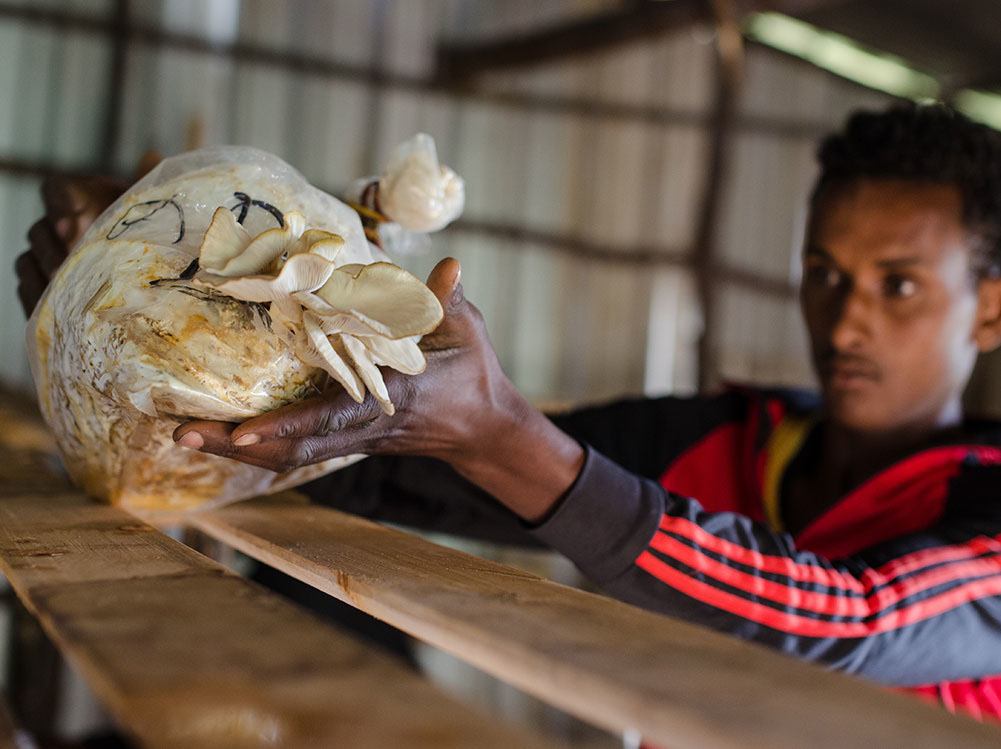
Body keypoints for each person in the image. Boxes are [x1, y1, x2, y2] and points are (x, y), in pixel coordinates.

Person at [17, 103, 1001, 721]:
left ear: (989, 306)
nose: (846, 315)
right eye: (823, 272)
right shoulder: (722, 437)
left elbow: (846, 615)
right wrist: (140, 305)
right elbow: (399, 460)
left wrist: (505, 435)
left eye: (898, 284)